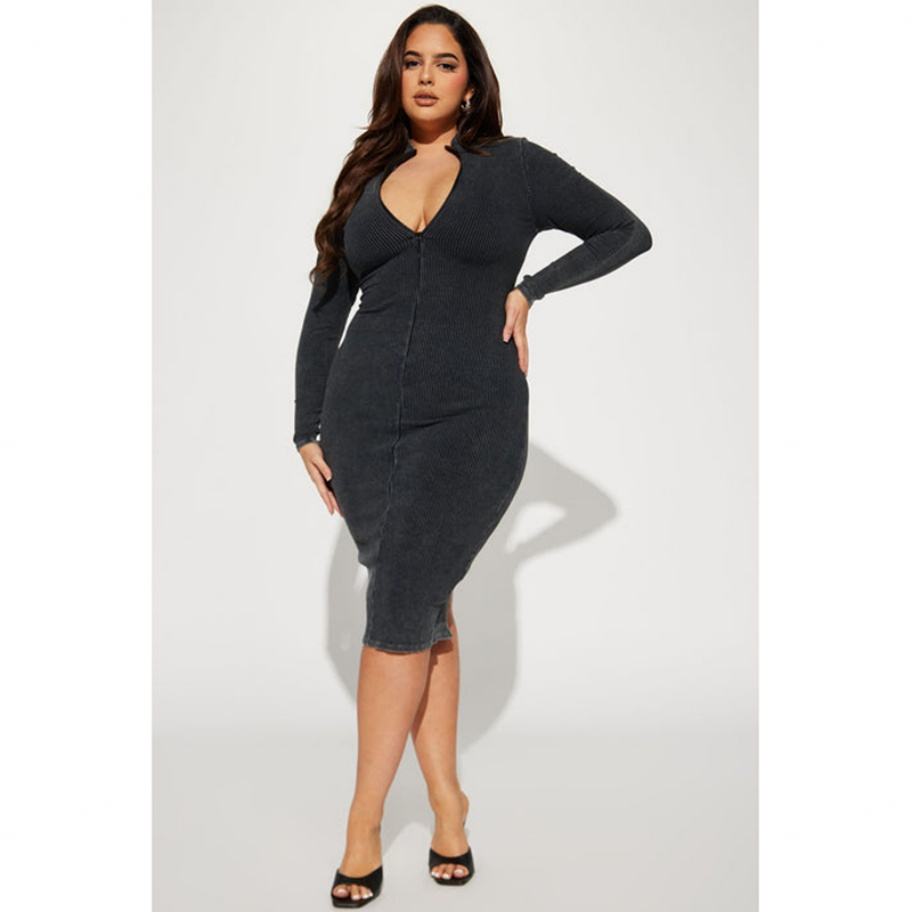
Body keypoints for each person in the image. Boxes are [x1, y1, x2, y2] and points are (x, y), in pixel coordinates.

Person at [293, 6, 652, 906]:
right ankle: (448, 804)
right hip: (362, 425)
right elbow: (326, 308)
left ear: (471, 81)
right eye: (412, 61)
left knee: (397, 605)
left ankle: (363, 821)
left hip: (472, 422)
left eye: (445, 62)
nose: (425, 76)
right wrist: (307, 424)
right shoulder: (367, 172)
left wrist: (532, 289)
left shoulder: (515, 167)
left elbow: (624, 230)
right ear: (396, 75)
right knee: (423, 607)